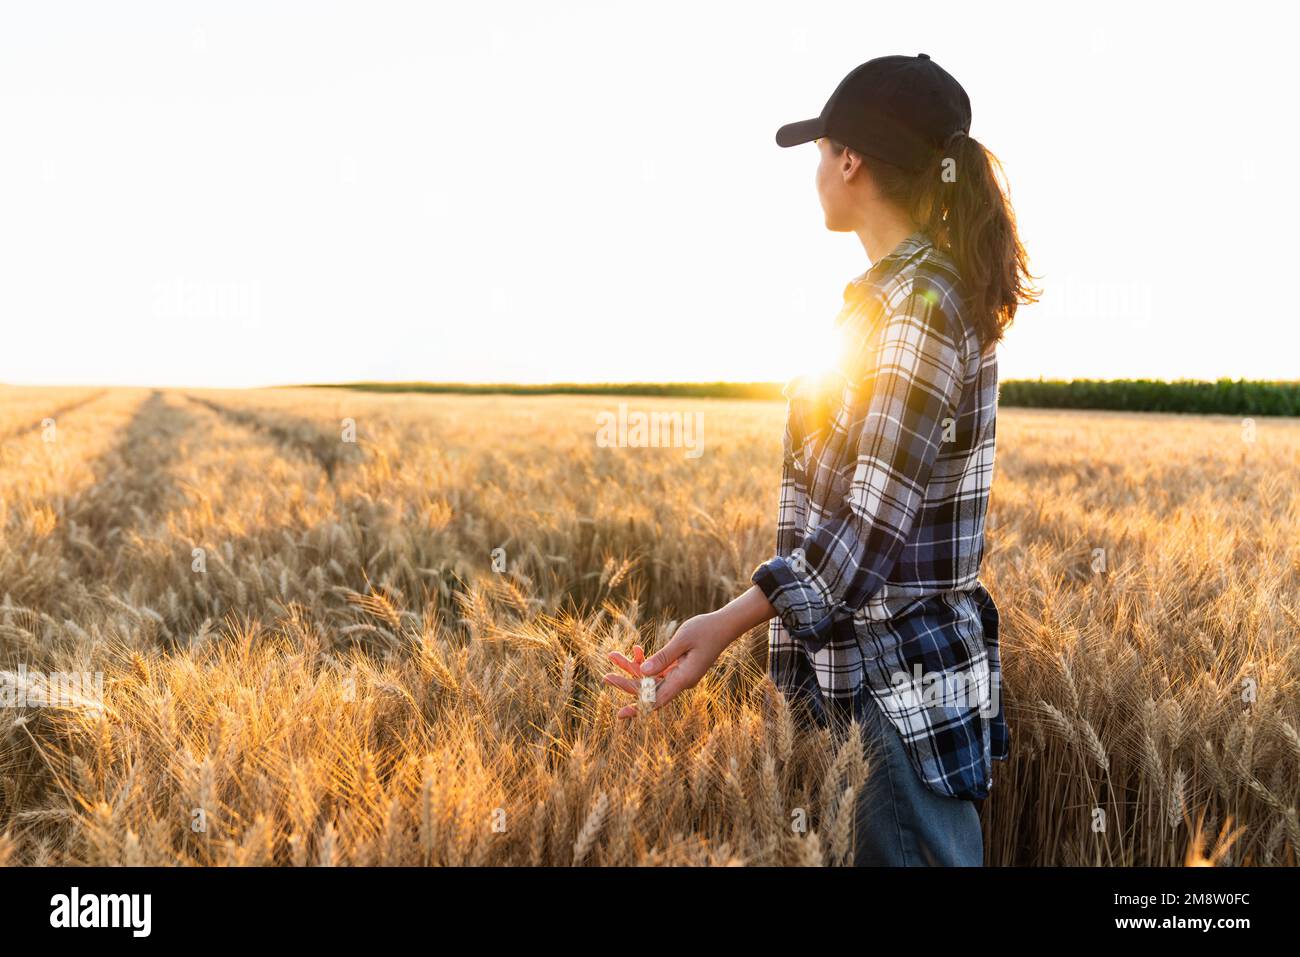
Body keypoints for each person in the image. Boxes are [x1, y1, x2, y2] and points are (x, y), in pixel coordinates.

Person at [605, 53, 1036, 866]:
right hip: (874, 685)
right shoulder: (892, 302)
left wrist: (726, 623)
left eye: (819, 151)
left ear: (851, 159)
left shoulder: (921, 309)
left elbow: (868, 535)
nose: (815, 171)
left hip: (899, 691)